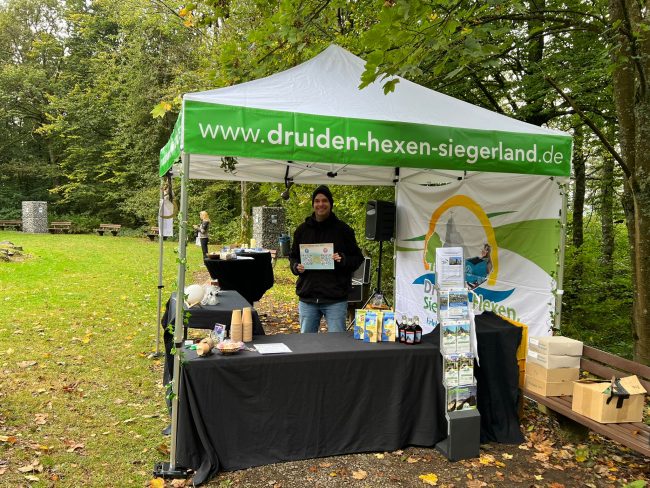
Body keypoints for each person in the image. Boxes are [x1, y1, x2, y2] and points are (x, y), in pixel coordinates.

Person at [289, 185, 364, 333]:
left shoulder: (344, 230)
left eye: (324, 200)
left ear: (331, 204)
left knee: (336, 343)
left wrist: (343, 259)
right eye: (317, 201)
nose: (320, 204)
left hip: (335, 299)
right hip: (308, 297)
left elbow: (358, 258)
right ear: (313, 204)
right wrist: (295, 266)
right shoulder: (302, 230)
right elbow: (293, 256)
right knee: (306, 343)